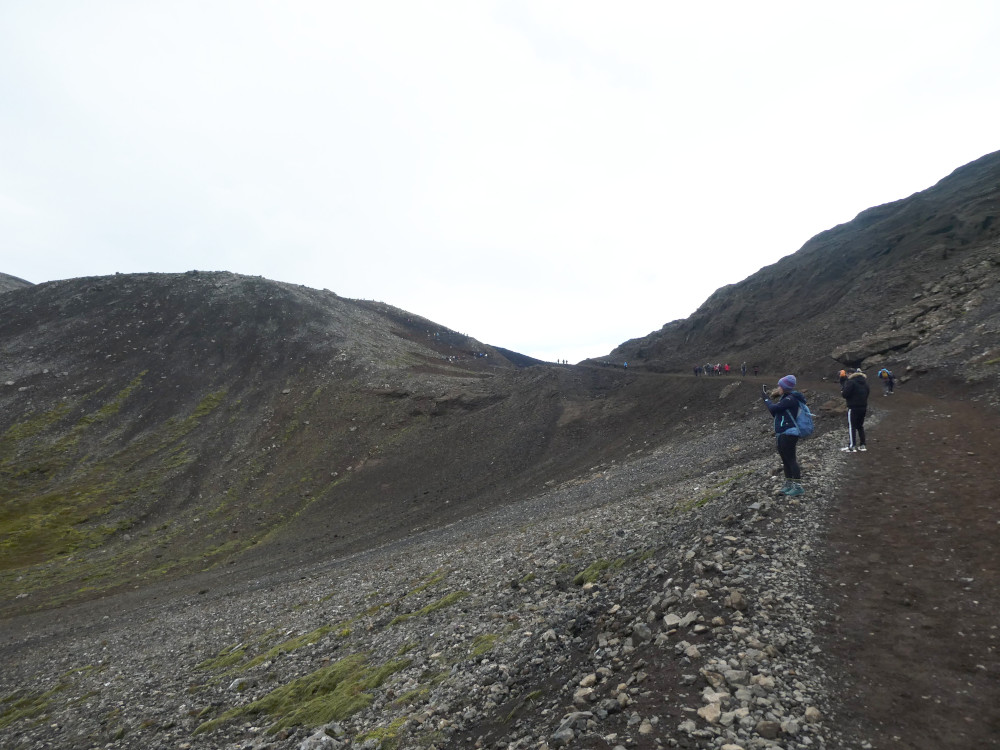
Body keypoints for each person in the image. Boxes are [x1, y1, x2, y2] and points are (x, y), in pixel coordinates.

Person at [761, 374, 808, 496]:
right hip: (783, 433)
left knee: (791, 459)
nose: (778, 388)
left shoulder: (790, 399)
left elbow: (774, 409)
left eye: (779, 386)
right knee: (785, 460)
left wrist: (766, 398)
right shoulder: (786, 399)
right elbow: (776, 413)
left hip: (789, 433)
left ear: (784, 387)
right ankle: (789, 484)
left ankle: (798, 487)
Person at [841, 368, 870, 452]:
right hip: (863, 406)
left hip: (853, 407)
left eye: (847, 374)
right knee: (860, 426)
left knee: (852, 426)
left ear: (850, 374)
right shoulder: (865, 382)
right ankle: (863, 444)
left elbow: (845, 394)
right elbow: (868, 392)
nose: (846, 376)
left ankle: (852, 446)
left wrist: (843, 392)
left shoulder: (851, 382)